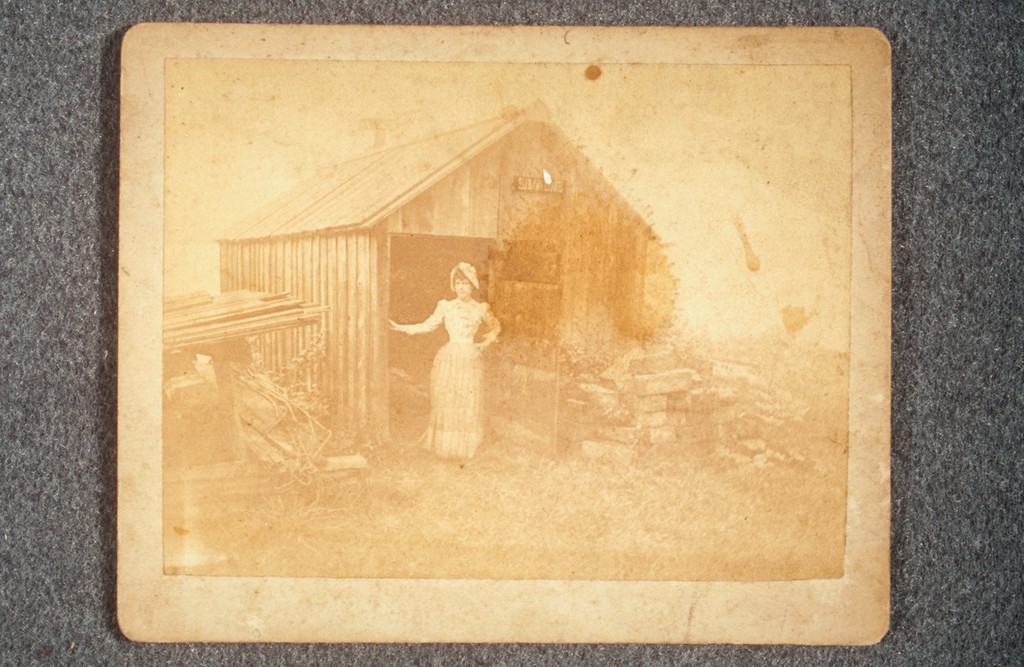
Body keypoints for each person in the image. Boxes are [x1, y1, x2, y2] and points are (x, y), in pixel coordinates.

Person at [389, 262, 501, 461]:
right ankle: (445, 446)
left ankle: (465, 446)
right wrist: (402, 327)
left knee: (467, 399)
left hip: (470, 358)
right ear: (453, 285)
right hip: (449, 358)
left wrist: (485, 343)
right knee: (449, 400)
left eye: (465, 283)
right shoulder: (446, 306)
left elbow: (496, 327)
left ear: (473, 286)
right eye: (457, 283)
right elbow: (427, 325)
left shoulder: (480, 309)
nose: (461, 287)